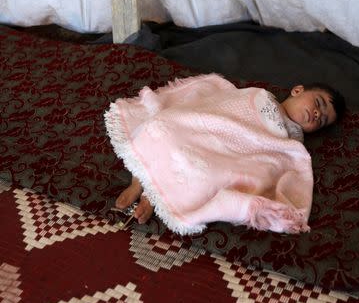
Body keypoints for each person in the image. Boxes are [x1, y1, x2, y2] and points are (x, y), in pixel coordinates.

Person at [104, 74, 345, 235]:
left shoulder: (291, 144)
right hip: (203, 129)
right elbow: (219, 107)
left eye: (321, 120)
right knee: (169, 127)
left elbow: (273, 165)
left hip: (226, 156)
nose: (316, 114)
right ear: (297, 90)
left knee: (207, 174)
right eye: (318, 103)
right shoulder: (258, 95)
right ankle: (140, 178)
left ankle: (154, 196)